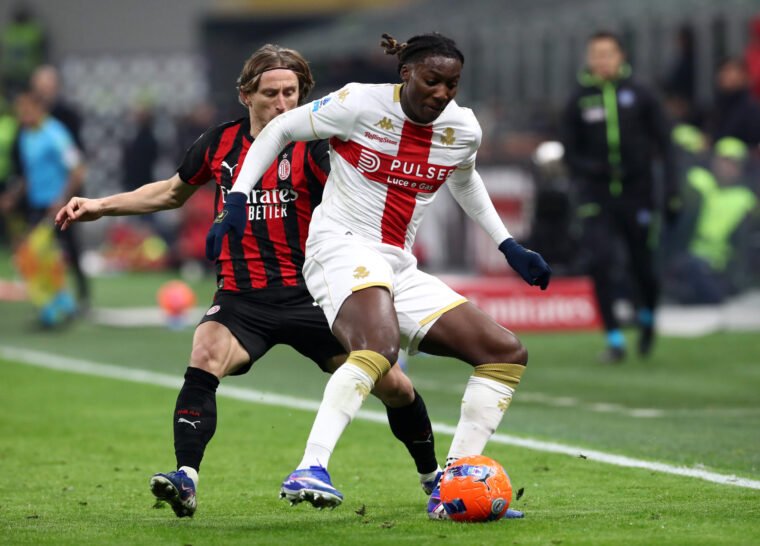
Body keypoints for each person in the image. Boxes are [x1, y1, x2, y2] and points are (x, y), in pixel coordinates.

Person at [55, 44, 440, 519]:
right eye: (271, 93)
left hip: (314, 299)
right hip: (243, 300)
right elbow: (172, 192)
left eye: (291, 93)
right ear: (246, 95)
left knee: (395, 385)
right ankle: (186, 478)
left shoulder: (316, 148)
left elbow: (363, 200)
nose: (282, 103)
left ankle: (433, 480)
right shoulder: (219, 144)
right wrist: (99, 205)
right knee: (204, 354)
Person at [206, 32, 551, 519]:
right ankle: (310, 467)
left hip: (397, 264)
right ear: (406, 73)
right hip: (339, 246)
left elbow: (464, 177)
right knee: (378, 347)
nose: (442, 93)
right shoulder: (357, 104)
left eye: (452, 84)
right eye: (432, 81)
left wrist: (507, 244)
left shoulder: (463, 128)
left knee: (504, 352)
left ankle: (453, 485)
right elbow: (280, 129)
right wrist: (239, 196)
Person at [560, 31, 677, 363]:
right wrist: (591, 169)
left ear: (621, 56)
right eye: (596, 54)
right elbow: (569, 151)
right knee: (600, 261)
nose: (602, 60)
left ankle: (648, 317)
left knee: (642, 264)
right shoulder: (579, 99)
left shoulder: (641, 94)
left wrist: (671, 190)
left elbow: (666, 143)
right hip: (596, 195)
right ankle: (613, 337)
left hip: (637, 193)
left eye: (608, 53)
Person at [4, 89, 88, 312]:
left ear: (39, 108)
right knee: (36, 255)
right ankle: (53, 303)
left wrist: (62, 199)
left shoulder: (56, 133)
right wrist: (13, 197)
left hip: (59, 206)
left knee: (70, 252)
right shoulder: (26, 136)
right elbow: (28, 175)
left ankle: (82, 298)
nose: (22, 114)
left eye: (26, 109)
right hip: (37, 205)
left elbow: (78, 170)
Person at [668, 137, 758, 304]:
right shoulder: (700, 182)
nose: (727, 167)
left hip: (718, 267)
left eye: (734, 163)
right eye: (724, 160)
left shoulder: (745, 199)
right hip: (687, 257)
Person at [704, 58, 760, 149]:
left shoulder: (752, 111)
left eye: (730, 71)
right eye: (722, 70)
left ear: (744, 76)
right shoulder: (716, 108)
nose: (724, 75)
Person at [31, 64, 83, 148]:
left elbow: (74, 147)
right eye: (42, 88)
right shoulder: (27, 116)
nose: (45, 92)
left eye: (49, 87)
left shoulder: (67, 116)